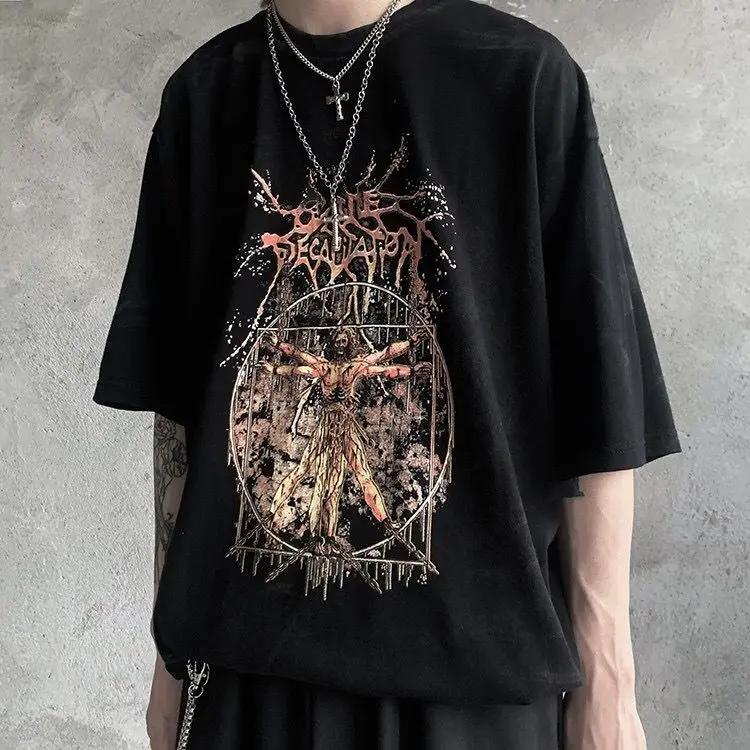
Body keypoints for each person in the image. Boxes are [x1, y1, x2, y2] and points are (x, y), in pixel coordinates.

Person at [92, 0, 682, 748]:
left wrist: (610, 681)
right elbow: (183, 418)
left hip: (475, 686)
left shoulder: (520, 78)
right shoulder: (203, 97)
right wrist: (169, 656)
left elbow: (599, 400)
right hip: (246, 677)